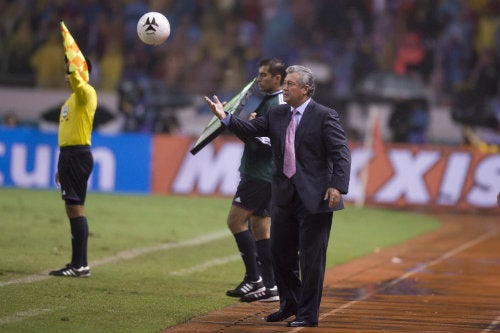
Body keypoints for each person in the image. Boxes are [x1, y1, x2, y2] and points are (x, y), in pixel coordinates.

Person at [204, 65, 351, 327]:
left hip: (316, 198)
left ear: (306, 89)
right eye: (285, 83)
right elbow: (250, 130)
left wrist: (337, 186)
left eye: (291, 84)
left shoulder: (325, 116)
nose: (285, 88)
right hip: (283, 196)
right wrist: (224, 116)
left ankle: (307, 315)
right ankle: (289, 305)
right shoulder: (277, 113)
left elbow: (341, 153)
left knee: (311, 259)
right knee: (279, 254)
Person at [221, 58, 287, 303]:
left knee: (235, 221)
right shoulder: (270, 101)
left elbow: (269, 143)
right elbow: (256, 137)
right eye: (259, 75)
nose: (259, 79)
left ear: (277, 78)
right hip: (264, 174)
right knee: (260, 228)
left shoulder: (277, 104)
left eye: (263, 75)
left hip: (261, 174)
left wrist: (232, 121)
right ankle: (271, 287)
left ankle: (253, 277)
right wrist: (245, 127)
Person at [49, 55, 97, 278]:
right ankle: (79, 264)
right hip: (69, 156)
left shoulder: (85, 93)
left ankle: (79, 265)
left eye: (70, 71)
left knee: (75, 207)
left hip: (77, 155)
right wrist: (62, 164)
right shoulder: (71, 101)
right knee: (73, 207)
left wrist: (72, 61)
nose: (67, 76)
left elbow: (78, 81)